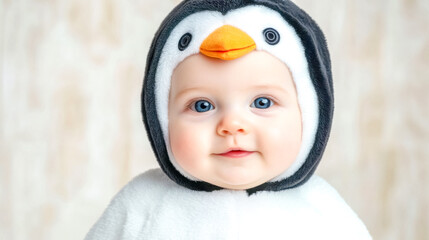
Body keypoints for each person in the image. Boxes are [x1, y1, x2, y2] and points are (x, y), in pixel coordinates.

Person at [85, 0, 372, 239]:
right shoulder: (141, 205)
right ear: (162, 118)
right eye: (201, 105)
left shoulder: (323, 212)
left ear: (308, 116)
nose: (232, 125)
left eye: (262, 102)